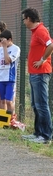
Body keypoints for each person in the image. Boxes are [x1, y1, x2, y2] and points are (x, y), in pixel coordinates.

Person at [21, 8, 53, 144]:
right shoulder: (36, 32)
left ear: (29, 18)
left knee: (41, 105)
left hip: (40, 74)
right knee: (35, 104)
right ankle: (38, 133)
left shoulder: (40, 30)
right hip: (34, 74)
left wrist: (43, 59)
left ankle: (46, 136)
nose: (23, 22)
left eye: (24, 19)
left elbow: (50, 45)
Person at [0, 30, 20, 112]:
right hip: (0, 78)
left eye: (3, 40)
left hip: (10, 78)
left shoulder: (15, 49)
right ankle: (4, 119)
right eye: (1, 40)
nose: (1, 42)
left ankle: (11, 118)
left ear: (9, 39)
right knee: (2, 100)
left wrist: (5, 48)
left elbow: (7, 60)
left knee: (9, 101)